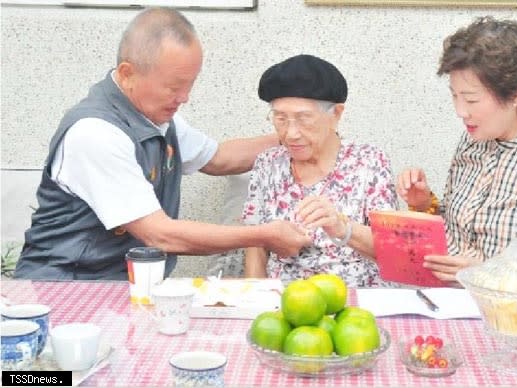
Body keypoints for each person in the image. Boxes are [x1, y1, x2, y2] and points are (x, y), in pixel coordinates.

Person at [15, 7, 311, 281]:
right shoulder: (95, 133)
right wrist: (263, 235)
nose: (184, 98)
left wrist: (294, 135)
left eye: (190, 84)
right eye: (174, 87)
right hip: (69, 286)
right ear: (127, 74)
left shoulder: (155, 117)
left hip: (125, 283)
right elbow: (160, 235)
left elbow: (218, 158)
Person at [397, 17, 517, 285]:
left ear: (515, 94)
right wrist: (424, 205)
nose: (460, 111)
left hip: (516, 319)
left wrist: (491, 274)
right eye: (454, 95)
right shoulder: (471, 141)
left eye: (471, 99)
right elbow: (461, 232)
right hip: (447, 307)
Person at [242, 54, 398, 287]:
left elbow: (392, 251)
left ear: (335, 114)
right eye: (280, 118)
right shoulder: (268, 163)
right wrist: (254, 297)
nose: (291, 133)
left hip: (356, 300)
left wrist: (341, 227)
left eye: (304, 119)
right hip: (284, 301)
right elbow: (256, 245)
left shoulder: (369, 162)